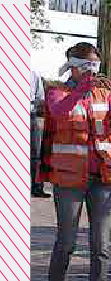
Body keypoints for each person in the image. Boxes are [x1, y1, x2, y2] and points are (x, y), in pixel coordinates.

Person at [41, 42, 111, 281]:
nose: (94, 70)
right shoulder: (58, 89)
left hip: (102, 176)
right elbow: (58, 112)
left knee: (101, 247)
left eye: (96, 65)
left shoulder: (102, 92)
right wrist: (82, 89)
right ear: (74, 66)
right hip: (69, 178)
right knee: (66, 242)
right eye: (88, 65)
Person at [31, 67, 51, 198]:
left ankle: (37, 187)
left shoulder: (34, 74)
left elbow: (40, 97)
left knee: (36, 154)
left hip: (30, 114)